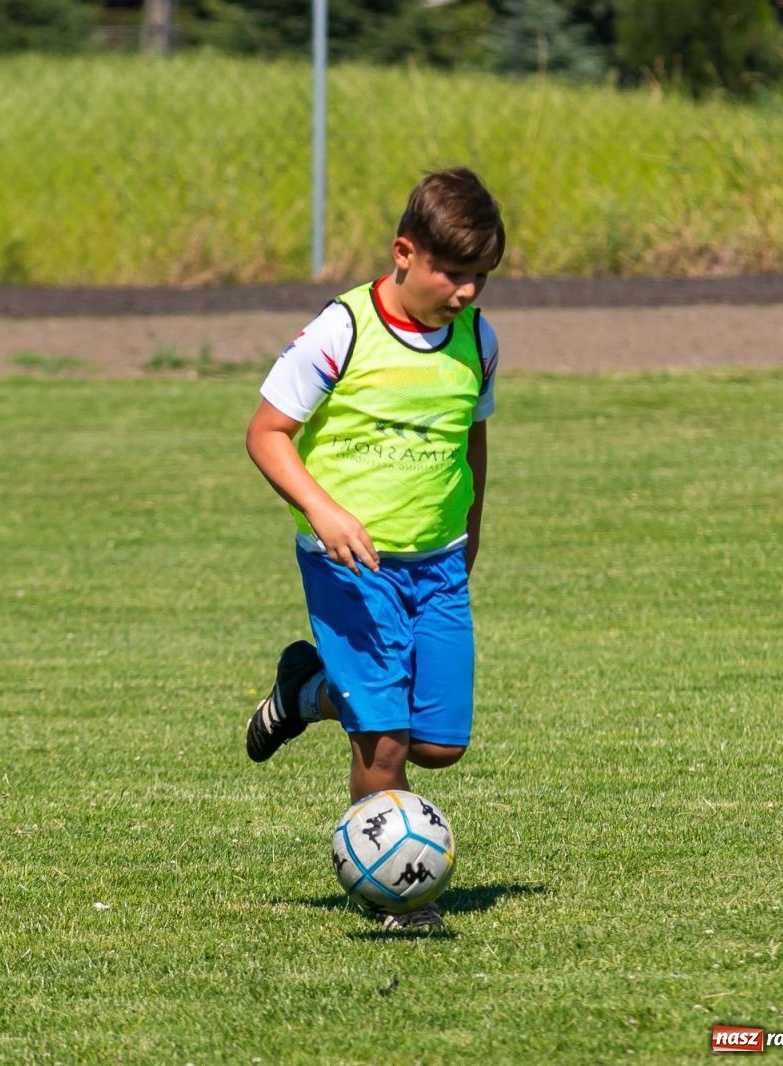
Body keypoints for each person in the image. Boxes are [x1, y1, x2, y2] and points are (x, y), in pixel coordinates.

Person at [243, 168, 504, 931]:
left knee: (439, 748)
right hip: (351, 566)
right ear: (403, 253)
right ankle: (392, 895)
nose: (466, 291)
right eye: (452, 273)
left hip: (440, 561)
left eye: (480, 277)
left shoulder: (478, 341)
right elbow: (266, 434)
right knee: (384, 744)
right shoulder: (343, 330)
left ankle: (308, 691)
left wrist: (474, 524)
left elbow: (472, 434)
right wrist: (321, 510)